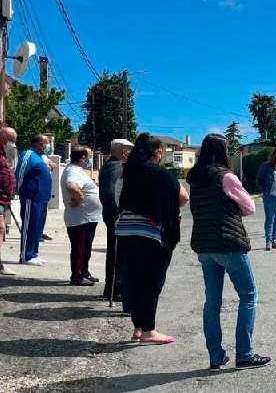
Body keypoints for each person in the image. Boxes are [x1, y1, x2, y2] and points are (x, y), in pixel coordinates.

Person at [188, 133, 271, 371]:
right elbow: (250, 207)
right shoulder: (226, 177)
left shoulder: (195, 178)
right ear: (223, 152)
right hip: (229, 244)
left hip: (204, 246)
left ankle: (216, 356)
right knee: (248, 296)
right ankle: (244, 354)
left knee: (212, 302)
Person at [116, 133, 189, 345]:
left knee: (135, 278)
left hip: (126, 231)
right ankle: (149, 331)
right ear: (156, 152)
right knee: (152, 280)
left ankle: (138, 327)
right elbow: (183, 197)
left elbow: (117, 198)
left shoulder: (127, 173)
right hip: (151, 233)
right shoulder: (161, 174)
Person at [61, 146, 103, 286]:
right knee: (80, 248)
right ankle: (77, 275)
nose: (89, 160)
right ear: (82, 158)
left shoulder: (77, 170)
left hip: (87, 217)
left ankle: (84, 272)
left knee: (85, 247)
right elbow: (72, 186)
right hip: (81, 218)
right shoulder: (73, 170)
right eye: (89, 157)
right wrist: (78, 197)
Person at [99, 138, 134, 302]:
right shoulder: (116, 166)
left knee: (116, 252)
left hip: (112, 214)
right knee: (117, 253)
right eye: (129, 149)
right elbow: (110, 192)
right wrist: (115, 213)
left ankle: (112, 287)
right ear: (122, 151)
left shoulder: (111, 164)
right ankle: (115, 288)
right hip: (115, 215)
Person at [15, 134, 52, 266]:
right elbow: (20, 172)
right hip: (31, 196)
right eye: (46, 143)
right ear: (38, 143)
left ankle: (33, 253)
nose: (48, 146)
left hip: (41, 198)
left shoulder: (40, 157)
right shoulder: (28, 154)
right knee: (29, 225)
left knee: (37, 227)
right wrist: (16, 190)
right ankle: (26, 255)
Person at [0, 127, 17, 275]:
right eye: (11, 140)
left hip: (4, 199)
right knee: (0, 228)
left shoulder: (3, 153)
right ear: (4, 137)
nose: (13, 143)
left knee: (1, 229)